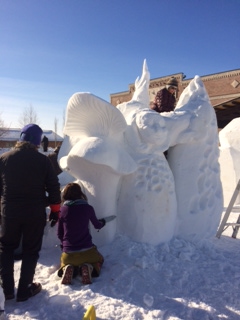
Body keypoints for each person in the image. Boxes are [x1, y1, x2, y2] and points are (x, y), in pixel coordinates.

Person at [0, 124, 61, 302]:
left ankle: (7, 289)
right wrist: (55, 210)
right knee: (30, 249)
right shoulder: (43, 161)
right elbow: (54, 187)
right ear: (38, 141)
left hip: (9, 212)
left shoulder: (4, 159)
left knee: (6, 248)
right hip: (34, 213)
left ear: (20, 138)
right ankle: (25, 288)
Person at [57, 183, 105, 286]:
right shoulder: (87, 208)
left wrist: (64, 246)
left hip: (68, 255)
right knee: (100, 259)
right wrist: (102, 223)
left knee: (64, 261)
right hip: (88, 252)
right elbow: (97, 225)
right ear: (80, 194)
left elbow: (59, 233)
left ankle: (67, 267)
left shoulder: (62, 210)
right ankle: (89, 268)